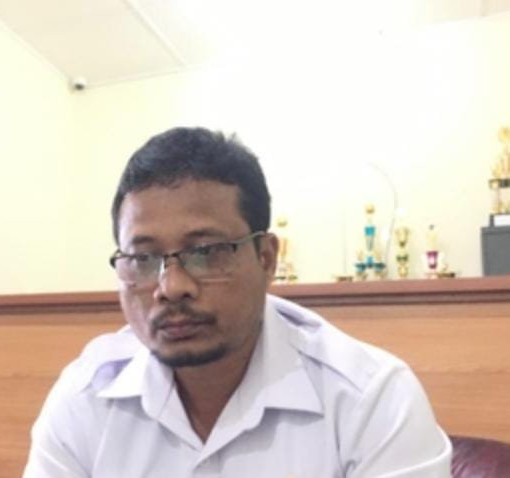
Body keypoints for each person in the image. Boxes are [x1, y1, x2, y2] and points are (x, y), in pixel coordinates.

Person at [24, 127, 452, 477]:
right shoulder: (85, 398)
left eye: (206, 252)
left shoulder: (371, 398)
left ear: (266, 258)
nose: (171, 287)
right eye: (142, 259)